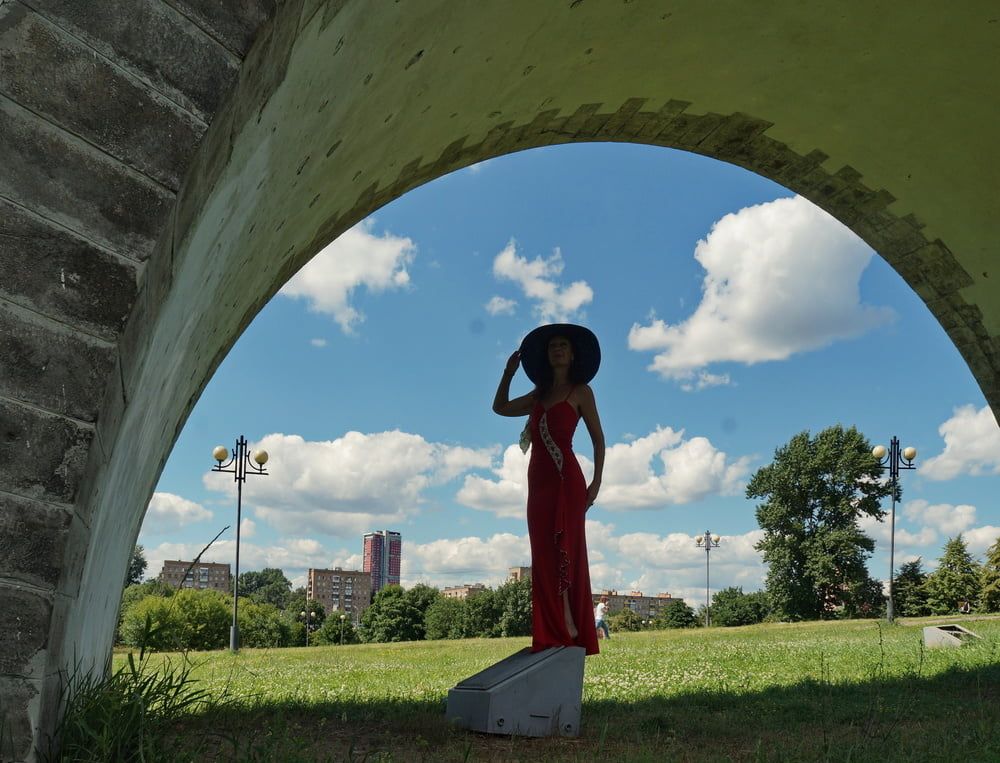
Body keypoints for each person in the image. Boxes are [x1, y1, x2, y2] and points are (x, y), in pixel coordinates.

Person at [493, 323, 605, 656]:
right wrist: (507, 373)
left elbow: (599, 440)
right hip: (537, 483)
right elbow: (500, 407)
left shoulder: (581, 391)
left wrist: (596, 482)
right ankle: (549, 630)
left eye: (563, 346)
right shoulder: (538, 395)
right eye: (552, 345)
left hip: (566, 480)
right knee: (542, 556)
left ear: (572, 355)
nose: (557, 349)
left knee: (565, 549)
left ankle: (569, 625)